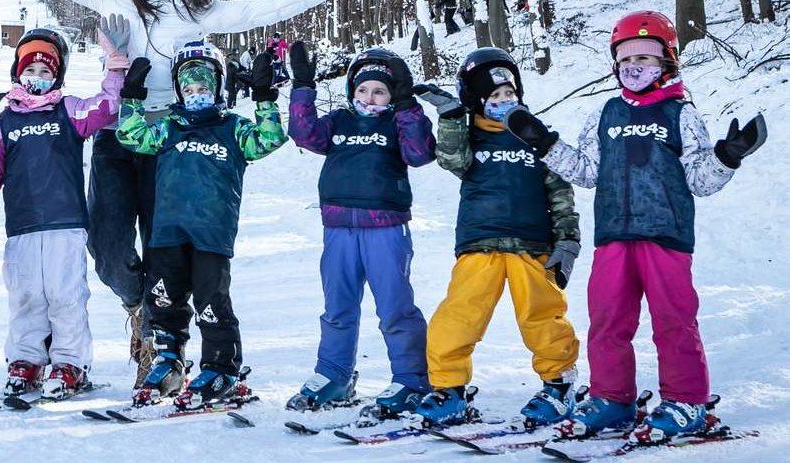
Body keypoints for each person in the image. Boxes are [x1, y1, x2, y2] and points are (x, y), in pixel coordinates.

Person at [0, 0, 372, 382]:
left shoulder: (197, 10)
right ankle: (139, 305)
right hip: (119, 134)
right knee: (107, 248)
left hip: (172, 138)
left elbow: (260, 8)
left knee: (161, 245)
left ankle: (160, 341)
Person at [503, 11, 767, 442]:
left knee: (673, 320)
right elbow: (586, 170)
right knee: (607, 320)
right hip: (613, 236)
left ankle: (686, 401)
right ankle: (612, 398)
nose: (633, 66)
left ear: (667, 61)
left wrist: (727, 156)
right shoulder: (604, 113)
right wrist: (544, 144)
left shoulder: (680, 114)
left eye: (644, 57)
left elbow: (700, 180)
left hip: (666, 235)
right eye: (624, 59)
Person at [408, 49, 581, 428]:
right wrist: (451, 116)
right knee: (459, 316)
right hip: (480, 244)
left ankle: (559, 384)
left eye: (509, 94)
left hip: (532, 244)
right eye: (494, 96)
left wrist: (568, 238)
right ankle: (449, 389)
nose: (504, 101)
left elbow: (559, 191)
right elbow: (451, 159)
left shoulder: (535, 135)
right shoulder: (470, 137)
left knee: (542, 317)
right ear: (477, 101)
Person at [117, 42, 288, 410]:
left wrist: (264, 98)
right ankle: (169, 360)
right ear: (179, 92)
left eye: (204, 89)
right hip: (168, 232)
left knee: (212, 300)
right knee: (164, 299)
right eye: (189, 89)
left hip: (211, 233)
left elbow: (270, 139)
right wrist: (131, 97)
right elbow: (131, 135)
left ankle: (221, 367)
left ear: (219, 88)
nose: (196, 95)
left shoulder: (233, 128)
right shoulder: (169, 127)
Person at [0, 18, 129, 400]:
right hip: (23, 226)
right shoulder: (4, 122)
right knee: (25, 295)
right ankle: (26, 359)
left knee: (65, 295)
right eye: (30, 70)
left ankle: (70, 363)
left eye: (46, 71)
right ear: (17, 72)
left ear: (57, 76)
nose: (37, 77)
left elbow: (108, 107)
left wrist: (115, 66)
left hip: (65, 222)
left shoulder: (69, 111)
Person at [284, 43, 436, 420]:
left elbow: (420, 153)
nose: (369, 97)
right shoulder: (339, 121)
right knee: (337, 307)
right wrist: (302, 86)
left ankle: (411, 379)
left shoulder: (397, 122)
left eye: (380, 91)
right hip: (338, 228)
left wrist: (407, 105)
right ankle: (333, 375)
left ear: (392, 94)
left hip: (386, 228)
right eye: (363, 89)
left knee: (394, 307)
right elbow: (303, 134)